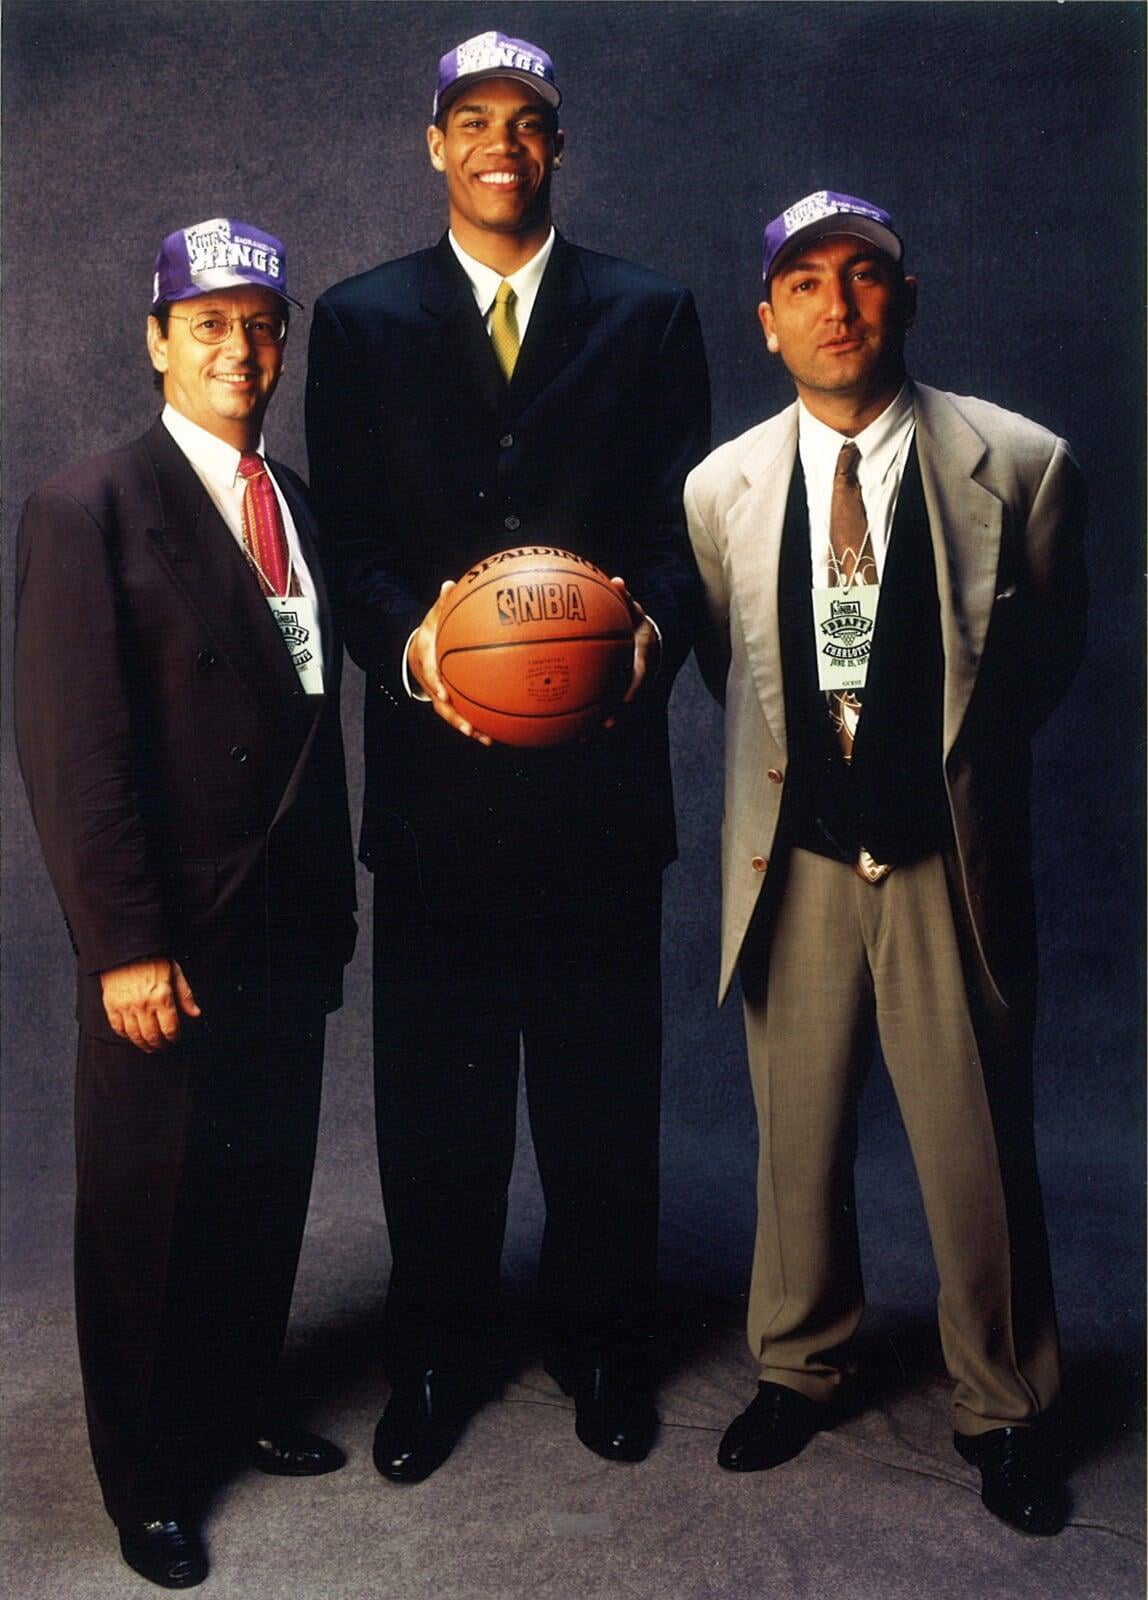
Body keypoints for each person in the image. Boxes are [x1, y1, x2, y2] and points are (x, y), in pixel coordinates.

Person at [306, 30, 709, 1479]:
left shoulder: (651, 315)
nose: (500, 143)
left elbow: (683, 542)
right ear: (432, 143)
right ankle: (433, 1357)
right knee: (438, 1100)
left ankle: (604, 1347)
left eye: (528, 122)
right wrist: (420, 650)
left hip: (599, 790)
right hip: (437, 796)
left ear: (557, 147)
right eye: (471, 119)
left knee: (602, 1091)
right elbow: (343, 545)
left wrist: (635, 639)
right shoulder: (357, 322)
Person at [684, 191, 1085, 1535]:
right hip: (791, 858)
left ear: (905, 300)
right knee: (794, 1138)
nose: (839, 305)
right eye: (807, 282)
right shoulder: (721, 486)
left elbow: (1043, 658)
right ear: (768, 318)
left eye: (867, 278)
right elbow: (736, 672)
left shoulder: (1019, 461)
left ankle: (1006, 1405)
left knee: (971, 1146)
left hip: (939, 859)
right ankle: (800, 1366)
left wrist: (939, 775)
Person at [14, 218, 357, 1589]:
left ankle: (237, 1404)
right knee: (152, 1208)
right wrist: (124, 947)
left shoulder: (301, 507)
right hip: (170, 930)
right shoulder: (86, 506)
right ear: (157, 341)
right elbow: (74, 748)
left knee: (258, 1189)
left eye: (262, 322)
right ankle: (148, 1477)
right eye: (207, 322)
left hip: (285, 921)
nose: (240, 346)